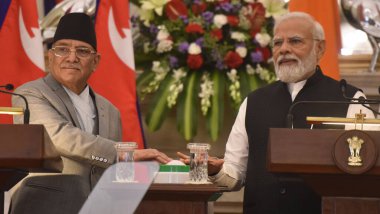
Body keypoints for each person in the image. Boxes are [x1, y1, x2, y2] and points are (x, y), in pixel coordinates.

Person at [178, 12, 377, 214]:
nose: (284, 49)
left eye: (295, 41)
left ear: (320, 48)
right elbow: (235, 174)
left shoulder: (352, 100)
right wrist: (215, 169)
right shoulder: (254, 101)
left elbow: (367, 170)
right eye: (277, 43)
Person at [10, 13, 171, 214]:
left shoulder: (111, 111)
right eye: (62, 49)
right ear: (49, 57)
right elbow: (58, 136)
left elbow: (113, 172)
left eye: (82, 51)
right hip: (43, 205)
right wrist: (123, 153)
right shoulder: (29, 94)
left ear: (95, 61)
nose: (71, 57)